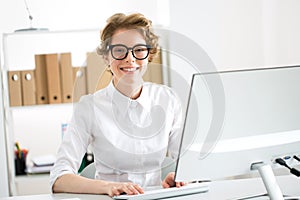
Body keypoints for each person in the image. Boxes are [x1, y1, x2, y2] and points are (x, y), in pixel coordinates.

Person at [50, 12, 185, 197]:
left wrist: (181, 177)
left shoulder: (167, 100)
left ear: (149, 54)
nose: (130, 59)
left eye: (138, 49)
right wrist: (109, 187)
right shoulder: (89, 107)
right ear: (106, 57)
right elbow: (59, 178)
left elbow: (189, 165)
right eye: (120, 50)